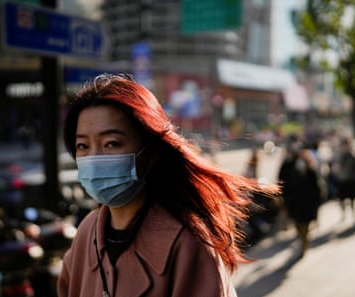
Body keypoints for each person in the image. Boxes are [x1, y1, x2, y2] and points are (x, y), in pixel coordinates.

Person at [57, 73, 278, 297]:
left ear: (151, 151)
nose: (94, 159)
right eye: (83, 145)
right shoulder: (87, 232)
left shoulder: (188, 244)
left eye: (112, 143)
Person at [278, 141, 322, 258]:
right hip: (295, 204)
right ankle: (302, 241)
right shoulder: (290, 167)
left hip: (307, 204)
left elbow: (316, 188)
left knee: (305, 226)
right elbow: (284, 183)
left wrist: (316, 204)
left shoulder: (310, 170)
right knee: (298, 225)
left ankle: (304, 244)